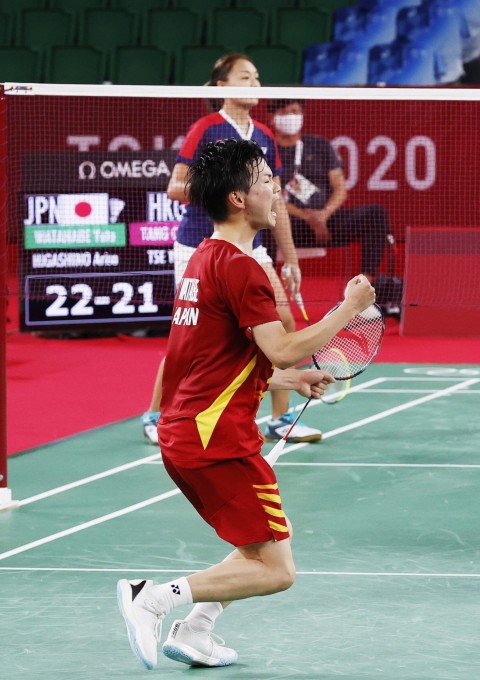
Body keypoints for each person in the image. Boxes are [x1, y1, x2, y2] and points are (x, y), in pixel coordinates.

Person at [117, 139, 376, 670]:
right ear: (237, 198)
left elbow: (222, 356)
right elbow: (279, 343)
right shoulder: (241, 268)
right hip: (215, 441)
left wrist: (290, 376)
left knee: (256, 544)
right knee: (277, 569)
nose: (275, 188)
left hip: (188, 432)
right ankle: (154, 597)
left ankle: (197, 632)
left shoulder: (204, 261)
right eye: (264, 180)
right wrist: (348, 307)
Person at [140, 53, 323, 446]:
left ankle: (279, 417)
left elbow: (274, 200)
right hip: (200, 246)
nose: (256, 84)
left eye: (258, 77)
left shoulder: (265, 137)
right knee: (190, 336)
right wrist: (225, 189)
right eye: (246, 77)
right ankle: (156, 412)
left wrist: (289, 258)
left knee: (284, 322)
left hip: (251, 246)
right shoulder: (205, 129)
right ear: (222, 86)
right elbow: (175, 186)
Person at [264, 98, 401, 313]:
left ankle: (362, 295)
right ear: (273, 118)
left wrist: (323, 215)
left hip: (326, 223)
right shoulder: (267, 149)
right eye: (284, 112)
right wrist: (306, 216)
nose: (291, 116)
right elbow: (268, 192)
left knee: (376, 214)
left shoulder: (319, 145)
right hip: (288, 223)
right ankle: (268, 296)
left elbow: (340, 188)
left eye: (295, 111)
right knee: (265, 222)